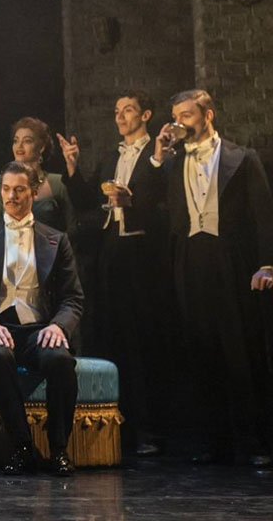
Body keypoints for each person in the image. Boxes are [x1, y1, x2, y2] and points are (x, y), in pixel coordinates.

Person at [149, 89, 273, 466]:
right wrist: (157, 154)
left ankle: (256, 443)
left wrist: (267, 263)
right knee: (201, 350)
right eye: (176, 116)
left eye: (186, 115)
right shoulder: (171, 163)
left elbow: (263, 214)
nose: (179, 122)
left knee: (240, 351)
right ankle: (215, 443)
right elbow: (150, 199)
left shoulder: (242, 157)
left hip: (230, 258)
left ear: (208, 115)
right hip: (190, 256)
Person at [57, 89, 168, 455]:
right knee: (111, 338)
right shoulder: (110, 156)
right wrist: (72, 168)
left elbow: (166, 204)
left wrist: (133, 202)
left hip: (143, 258)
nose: (120, 117)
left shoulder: (161, 154)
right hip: (110, 257)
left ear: (146, 114)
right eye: (117, 111)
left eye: (129, 110)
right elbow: (89, 202)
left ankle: (151, 430)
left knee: (144, 343)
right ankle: (115, 426)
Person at [0, 161, 84, 476]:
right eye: (6, 189)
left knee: (61, 361)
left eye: (19, 190)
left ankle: (58, 450)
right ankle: (23, 447)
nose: (10, 196)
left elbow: (73, 298)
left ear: (35, 191)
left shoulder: (57, 238)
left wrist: (58, 325)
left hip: (39, 327)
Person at [0, 118, 76, 234]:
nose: (19, 146)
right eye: (16, 141)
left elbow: (72, 228)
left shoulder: (58, 183)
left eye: (27, 141)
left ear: (41, 147)